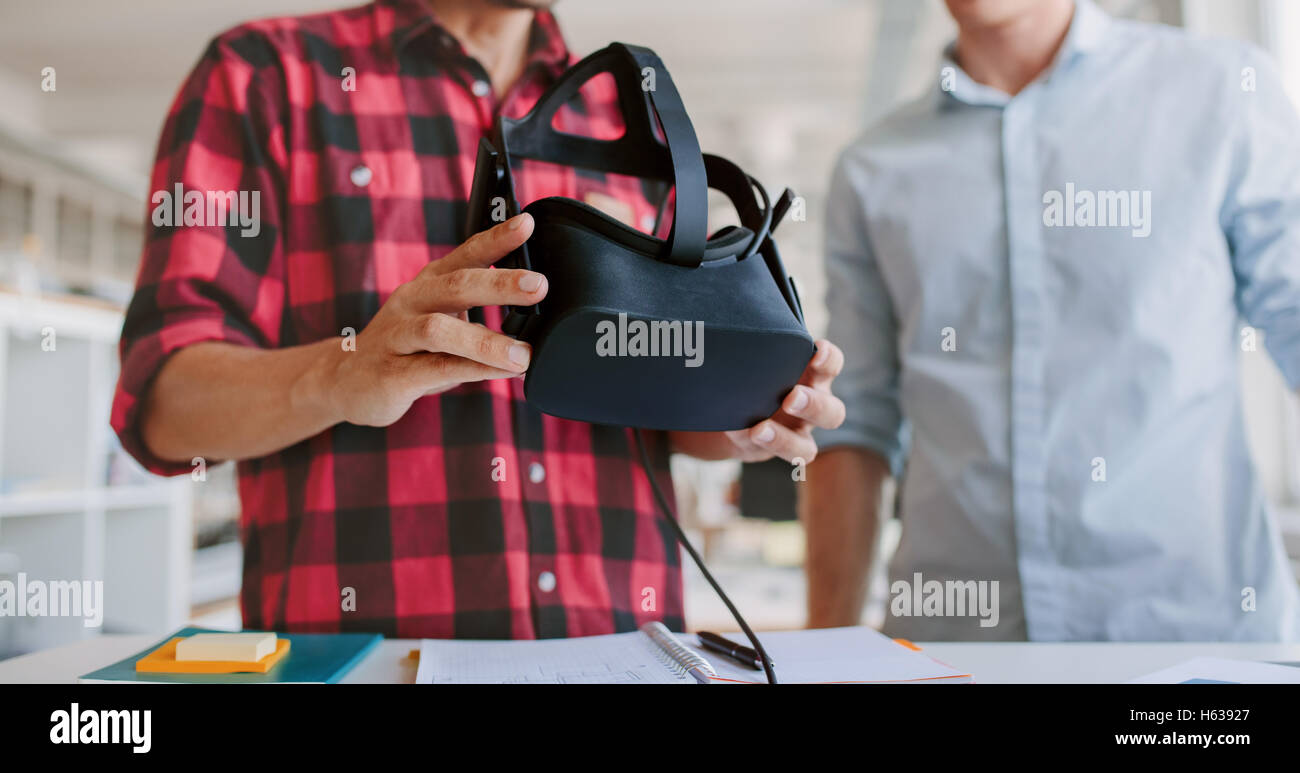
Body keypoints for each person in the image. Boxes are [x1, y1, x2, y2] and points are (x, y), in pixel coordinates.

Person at [113, 0, 845, 638]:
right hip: (363, 656)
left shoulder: (624, 111)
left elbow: (652, 413)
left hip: (620, 646)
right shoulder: (264, 78)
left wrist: (745, 414)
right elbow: (164, 405)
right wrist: (341, 373)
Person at [804, 0, 1300, 640]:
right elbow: (852, 422)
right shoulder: (872, 169)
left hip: (1198, 652)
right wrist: (823, 646)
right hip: (956, 649)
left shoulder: (1220, 94)